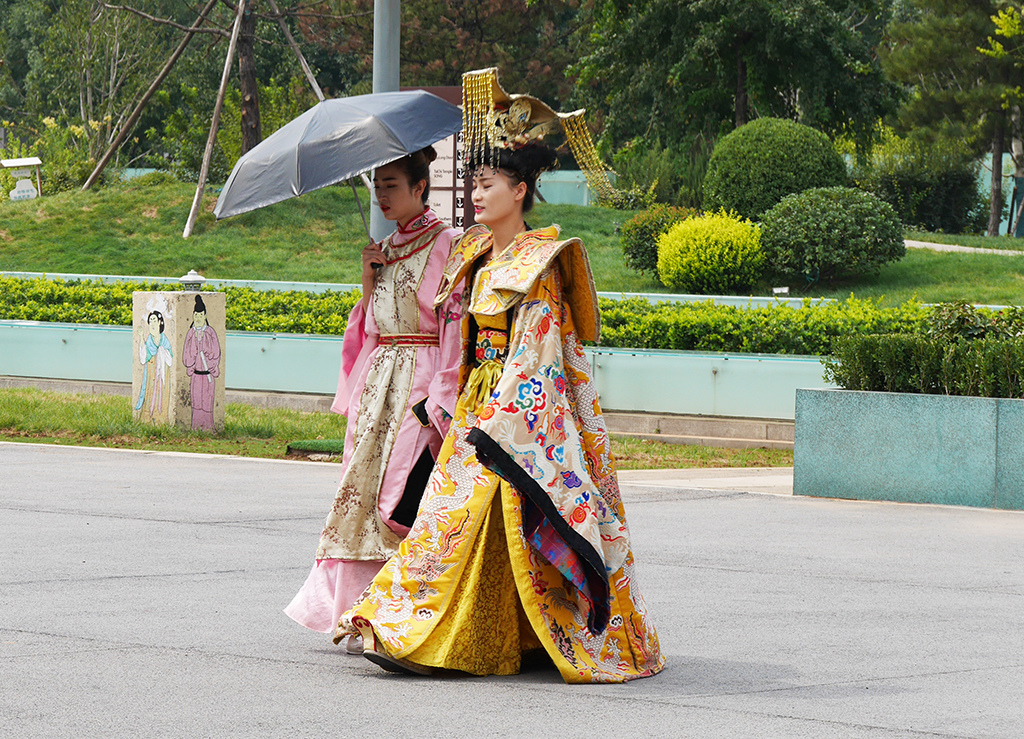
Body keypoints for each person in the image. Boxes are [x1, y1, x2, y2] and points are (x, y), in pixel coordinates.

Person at [335, 69, 664, 683]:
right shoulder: (473, 257)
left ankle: (482, 637)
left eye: (486, 184)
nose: (475, 195)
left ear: (520, 190)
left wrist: (502, 417)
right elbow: (455, 341)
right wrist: (445, 401)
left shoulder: (542, 261)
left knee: (490, 518)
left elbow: (539, 351)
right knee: (449, 522)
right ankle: (419, 631)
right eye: (473, 184)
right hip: (476, 407)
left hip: (521, 414)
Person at [285, 146, 463, 653]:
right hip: (379, 383)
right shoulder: (383, 248)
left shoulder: (448, 243)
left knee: (398, 497)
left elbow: (454, 322)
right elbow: (370, 328)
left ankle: (401, 613)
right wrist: (369, 281)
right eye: (377, 185)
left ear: (420, 187)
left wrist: (439, 398)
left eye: (391, 184)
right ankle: (356, 611)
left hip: (420, 379)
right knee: (359, 494)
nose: (381, 195)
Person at [182, 294, 221, 430]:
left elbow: (216, 353)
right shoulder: (191, 333)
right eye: (196, 315)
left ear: (205, 316)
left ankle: (208, 427)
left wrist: (205, 348)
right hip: (196, 375)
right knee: (197, 402)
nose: (198, 318)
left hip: (208, 374)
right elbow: (186, 356)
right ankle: (196, 427)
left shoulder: (210, 332)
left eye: (201, 315)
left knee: (207, 402)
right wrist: (195, 347)